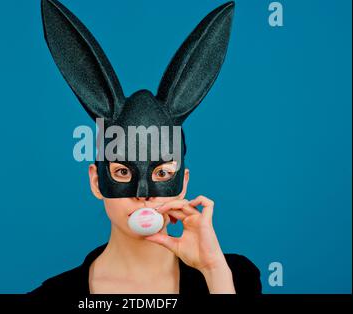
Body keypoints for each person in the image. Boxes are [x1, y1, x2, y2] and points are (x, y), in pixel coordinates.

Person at [30, 0, 262, 296]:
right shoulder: (52, 295)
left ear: (184, 182)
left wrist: (214, 272)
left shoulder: (233, 277)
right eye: (123, 171)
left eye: (163, 173)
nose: (143, 194)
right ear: (96, 180)